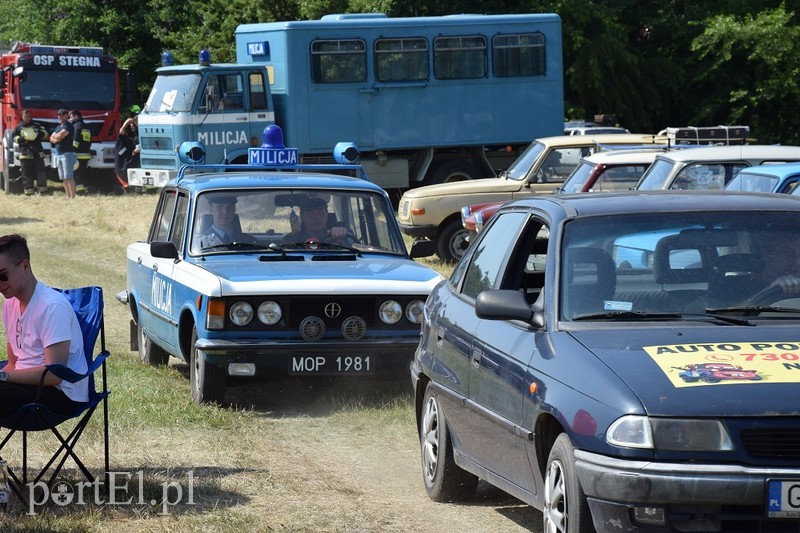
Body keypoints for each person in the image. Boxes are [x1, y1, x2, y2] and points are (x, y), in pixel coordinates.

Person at [0, 234, 88, 420]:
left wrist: (4, 378)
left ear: (25, 266)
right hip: (24, 387)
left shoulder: (51, 307)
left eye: (3, 275)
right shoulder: (9, 305)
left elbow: (54, 376)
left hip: (59, 394)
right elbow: (13, 362)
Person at [282, 197, 351, 244]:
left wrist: (342, 234)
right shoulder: (291, 241)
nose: (316, 217)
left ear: (327, 214)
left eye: (321, 213)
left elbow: (357, 250)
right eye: (310, 214)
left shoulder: (341, 236)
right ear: (302, 216)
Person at [12, 110, 49, 196]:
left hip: (37, 151)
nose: (27, 118)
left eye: (29, 116)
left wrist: (39, 134)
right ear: (22, 117)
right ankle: (29, 191)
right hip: (25, 151)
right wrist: (20, 139)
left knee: (41, 171)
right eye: (26, 117)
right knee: (26, 172)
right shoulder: (18, 127)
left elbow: (45, 132)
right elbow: (14, 137)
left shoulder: (36, 125)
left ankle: (42, 190)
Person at [49, 108, 77, 199]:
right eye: (59, 115)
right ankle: (68, 196)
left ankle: (73, 197)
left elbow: (60, 135)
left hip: (67, 154)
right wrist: (57, 138)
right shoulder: (58, 127)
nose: (60, 117)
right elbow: (51, 138)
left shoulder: (68, 126)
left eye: (63, 115)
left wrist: (57, 137)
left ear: (66, 116)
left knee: (69, 176)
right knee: (63, 177)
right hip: (59, 154)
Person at [114, 112, 140, 188]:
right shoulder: (123, 138)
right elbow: (128, 120)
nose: (132, 127)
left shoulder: (135, 136)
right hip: (123, 165)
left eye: (133, 125)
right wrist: (132, 121)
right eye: (131, 126)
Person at [69, 110, 92, 194]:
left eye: (71, 117)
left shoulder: (76, 126)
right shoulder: (86, 126)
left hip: (78, 154)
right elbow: (89, 141)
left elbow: (75, 141)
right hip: (86, 154)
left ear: (76, 116)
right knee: (83, 172)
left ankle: (79, 191)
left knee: (77, 173)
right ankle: (85, 188)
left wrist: (71, 151)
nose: (70, 119)